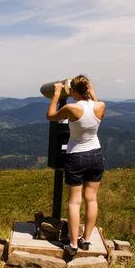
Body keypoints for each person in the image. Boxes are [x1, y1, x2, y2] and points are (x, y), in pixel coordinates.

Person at [44, 75, 105, 256]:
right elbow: (94, 104)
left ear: (72, 91)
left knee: (74, 201)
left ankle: (73, 244)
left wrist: (56, 95)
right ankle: (86, 240)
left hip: (76, 156)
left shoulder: (71, 108)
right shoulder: (101, 106)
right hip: (96, 155)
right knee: (91, 199)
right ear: (88, 89)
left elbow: (51, 116)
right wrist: (93, 93)